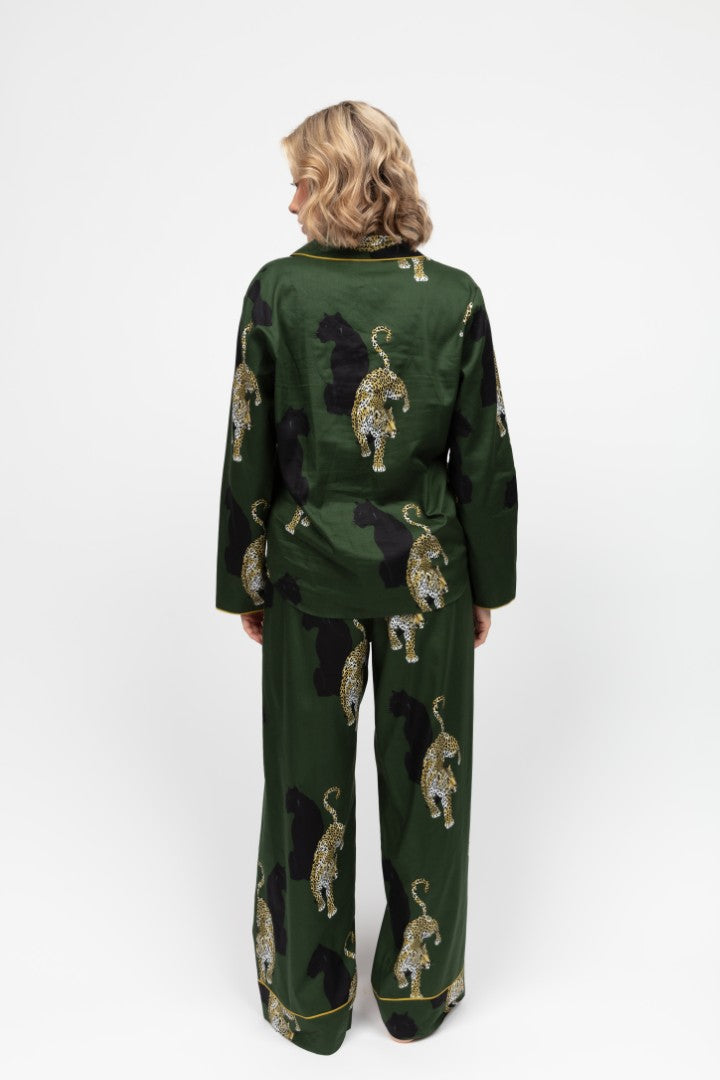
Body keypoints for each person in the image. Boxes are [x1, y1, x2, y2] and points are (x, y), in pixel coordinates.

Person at [215, 100, 518, 1055]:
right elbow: (484, 454)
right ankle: (418, 1001)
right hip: (427, 582)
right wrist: (485, 585)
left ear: (339, 184)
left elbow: (248, 441)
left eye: (301, 181)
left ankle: (310, 1009)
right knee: (433, 787)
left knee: (305, 788)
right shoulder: (452, 297)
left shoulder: (277, 290)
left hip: (308, 578)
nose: (290, 201)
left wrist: (246, 580)